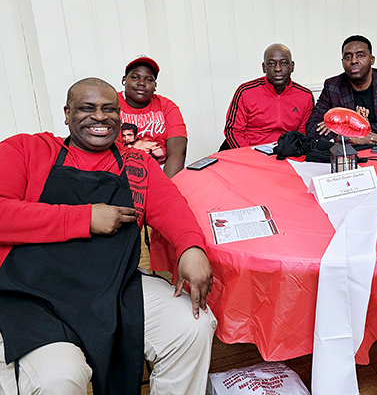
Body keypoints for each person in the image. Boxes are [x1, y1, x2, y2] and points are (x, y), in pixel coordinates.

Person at [0, 78, 216, 395]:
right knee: (59, 376)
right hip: (32, 294)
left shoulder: (136, 164)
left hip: (114, 288)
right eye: (87, 108)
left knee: (192, 325)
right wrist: (85, 218)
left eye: (109, 109)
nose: (100, 116)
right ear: (67, 114)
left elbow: (172, 208)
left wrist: (191, 248)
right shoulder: (27, 150)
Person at [306, 35, 377, 145]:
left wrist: (348, 128)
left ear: (372, 60)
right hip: (350, 150)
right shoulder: (333, 86)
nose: (354, 61)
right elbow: (312, 128)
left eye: (360, 55)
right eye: (348, 57)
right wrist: (349, 137)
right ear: (342, 62)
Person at [223, 43, 314, 148]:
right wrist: (249, 155)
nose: (278, 69)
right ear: (264, 68)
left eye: (284, 63)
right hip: (250, 151)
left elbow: (303, 133)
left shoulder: (305, 96)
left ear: (292, 66)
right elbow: (233, 130)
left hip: (287, 152)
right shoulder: (245, 92)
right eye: (271, 64)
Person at [118, 55, 187, 178]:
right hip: (123, 171)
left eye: (149, 79)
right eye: (135, 77)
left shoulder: (167, 106)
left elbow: (177, 151)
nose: (141, 83)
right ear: (124, 80)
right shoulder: (112, 103)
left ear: (155, 86)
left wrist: (166, 185)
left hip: (163, 169)